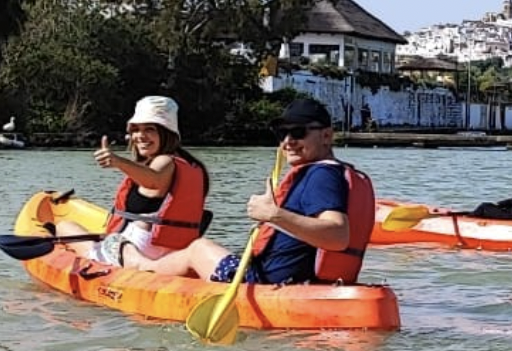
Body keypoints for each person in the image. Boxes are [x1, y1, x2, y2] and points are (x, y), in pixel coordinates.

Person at [138, 97, 377, 285]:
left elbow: (337, 235)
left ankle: (140, 270)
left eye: (298, 132)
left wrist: (272, 214)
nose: (287, 141)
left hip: (264, 281)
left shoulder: (320, 175)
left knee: (198, 249)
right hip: (303, 280)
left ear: (326, 136)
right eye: (281, 133)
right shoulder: (335, 172)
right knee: (203, 252)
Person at [87, 94, 210, 268]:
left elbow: (154, 179)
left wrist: (118, 162)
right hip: (174, 250)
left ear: (166, 133)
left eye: (149, 129)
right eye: (136, 129)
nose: (140, 136)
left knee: (65, 227)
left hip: (142, 246)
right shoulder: (190, 164)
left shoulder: (165, 161)